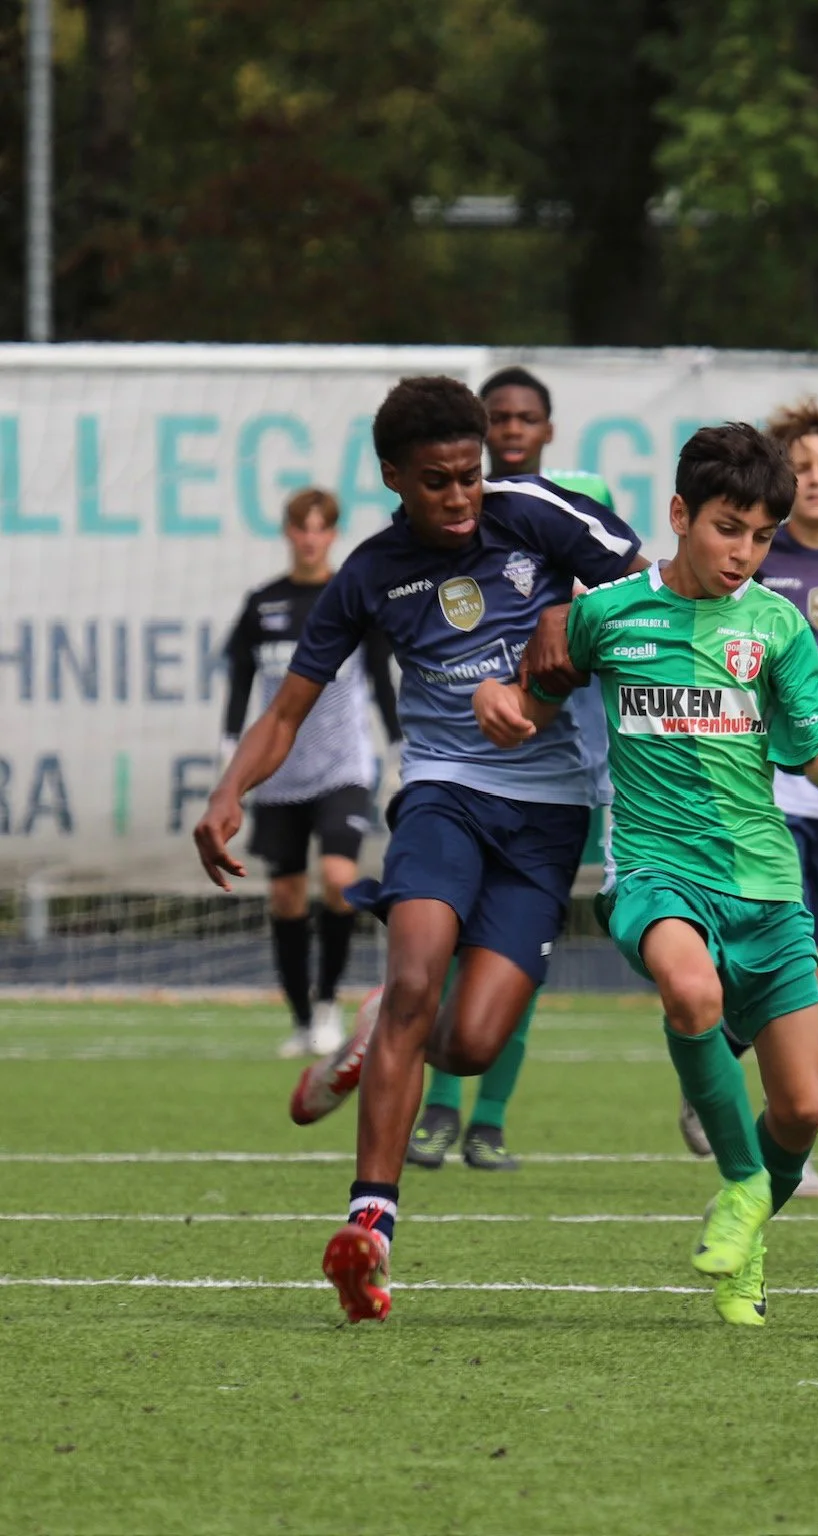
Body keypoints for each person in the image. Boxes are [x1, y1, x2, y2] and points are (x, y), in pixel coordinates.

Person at [193, 375, 643, 1324]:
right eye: (436, 481)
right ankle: (370, 1232)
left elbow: (647, 583)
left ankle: (369, 1034)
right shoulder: (369, 574)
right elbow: (288, 708)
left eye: (471, 476)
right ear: (394, 477)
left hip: (552, 814)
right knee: (415, 979)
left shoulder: (536, 516)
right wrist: (231, 790)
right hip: (443, 795)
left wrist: (569, 617)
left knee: (472, 1044)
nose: (460, 497)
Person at [473, 422, 818, 1328]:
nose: (745, 551)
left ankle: (745, 1245)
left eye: (761, 534)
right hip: (656, 870)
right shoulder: (609, 613)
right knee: (688, 989)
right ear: (679, 514)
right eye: (727, 527)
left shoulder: (777, 626)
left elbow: (809, 754)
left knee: (806, 1108)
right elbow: (538, 697)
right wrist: (501, 702)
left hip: (766, 884)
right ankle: (743, 1182)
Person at [673, 397, 818, 1203]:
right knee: (773, 964)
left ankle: (745, 1101)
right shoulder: (751, 562)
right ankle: (734, 1103)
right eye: (800, 466)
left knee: (810, 973)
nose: (813, 479)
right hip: (766, 787)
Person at [406, 365, 617, 1174]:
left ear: (550, 428)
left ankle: (489, 1117)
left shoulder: (577, 496)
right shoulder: (460, 517)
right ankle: (439, 1109)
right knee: (451, 936)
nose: (514, 429)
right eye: (500, 417)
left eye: (528, 416)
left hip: (569, 767)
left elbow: (617, 579)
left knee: (520, 947)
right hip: (468, 768)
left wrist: (565, 603)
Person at [221, 488, 400, 1059]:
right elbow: (242, 683)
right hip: (277, 770)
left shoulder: (350, 597)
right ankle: (301, 1018)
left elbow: (379, 676)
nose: (309, 538)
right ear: (288, 533)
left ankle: (328, 1004)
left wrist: (400, 748)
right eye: (301, 528)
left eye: (321, 528)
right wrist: (231, 753)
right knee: (286, 895)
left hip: (342, 766)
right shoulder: (262, 604)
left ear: (332, 534)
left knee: (340, 877)